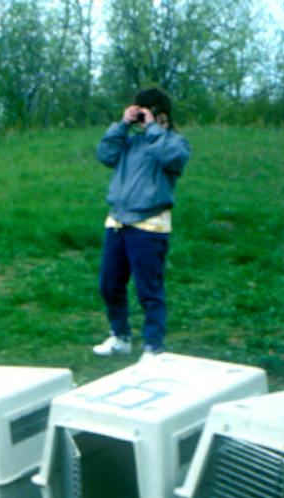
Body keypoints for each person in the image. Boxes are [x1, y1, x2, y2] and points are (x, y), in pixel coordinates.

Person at [92, 87, 191, 360]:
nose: (139, 119)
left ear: (161, 116)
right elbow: (105, 154)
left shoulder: (175, 142)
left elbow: (174, 158)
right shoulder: (130, 142)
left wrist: (154, 129)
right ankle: (120, 336)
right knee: (109, 284)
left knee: (149, 290)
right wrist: (122, 125)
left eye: (143, 112)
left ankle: (153, 347)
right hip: (118, 220)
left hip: (150, 225)